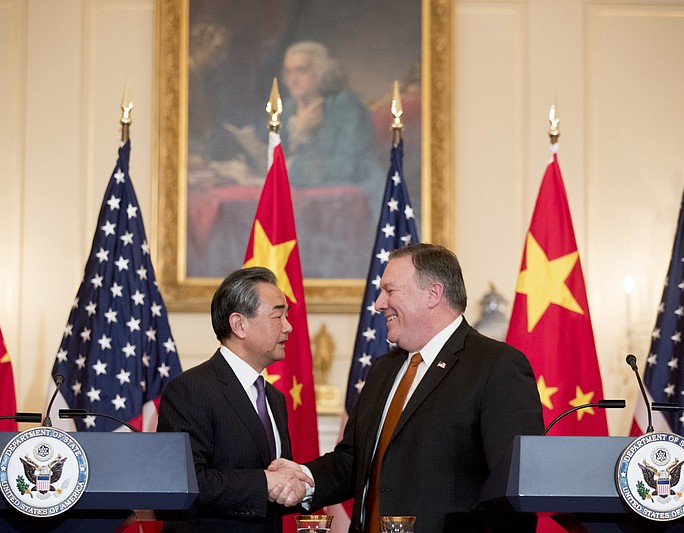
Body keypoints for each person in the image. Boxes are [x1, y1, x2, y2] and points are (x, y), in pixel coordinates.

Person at [271, 244, 544, 532]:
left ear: (433, 294)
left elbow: (513, 492)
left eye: (389, 291)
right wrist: (303, 476)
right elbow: (355, 460)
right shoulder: (382, 369)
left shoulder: (496, 366)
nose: (378, 303)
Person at [157, 267, 312, 532]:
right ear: (239, 324)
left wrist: (297, 486)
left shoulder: (274, 398)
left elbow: (278, 484)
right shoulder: (190, 389)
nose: (289, 327)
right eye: (278, 316)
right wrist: (265, 483)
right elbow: (183, 482)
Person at [280, 41, 384, 278]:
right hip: (306, 205)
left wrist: (291, 168)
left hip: (359, 199)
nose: (293, 79)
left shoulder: (346, 107)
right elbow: (273, 165)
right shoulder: (287, 110)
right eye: (288, 72)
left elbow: (343, 168)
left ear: (320, 72)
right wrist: (298, 131)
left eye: (301, 70)